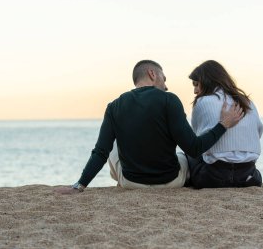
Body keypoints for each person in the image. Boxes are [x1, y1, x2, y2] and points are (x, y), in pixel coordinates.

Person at [55, 60, 243, 194]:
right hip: (171, 183)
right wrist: (224, 124)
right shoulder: (170, 100)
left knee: (110, 147)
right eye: (164, 78)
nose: (166, 86)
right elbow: (194, 148)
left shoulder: (114, 106)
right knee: (181, 155)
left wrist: (79, 185)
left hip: (131, 183)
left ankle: (117, 180)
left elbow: (100, 152)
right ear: (153, 74)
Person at [187, 60, 263, 189]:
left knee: (188, 153)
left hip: (213, 177)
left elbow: (198, 139)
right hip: (247, 175)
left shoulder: (202, 101)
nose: (195, 91)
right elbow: (259, 132)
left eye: (196, 84)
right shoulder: (247, 102)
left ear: (207, 81)